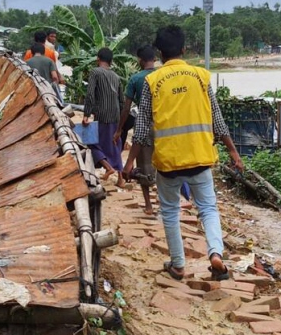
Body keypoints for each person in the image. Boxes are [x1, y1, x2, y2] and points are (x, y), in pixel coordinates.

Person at [122, 25, 245, 282]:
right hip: (200, 156)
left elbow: (142, 129)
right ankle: (215, 254)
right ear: (184, 49)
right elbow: (217, 120)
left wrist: (129, 162)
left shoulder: (152, 81)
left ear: (159, 52)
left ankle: (178, 264)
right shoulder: (201, 76)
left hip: (168, 162)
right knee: (208, 208)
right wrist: (234, 152)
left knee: (169, 211)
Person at [116, 46, 158, 213]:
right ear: (154, 59)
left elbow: (126, 108)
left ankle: (148, 205)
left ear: (140, 60)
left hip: (145, 124)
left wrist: (119, 129)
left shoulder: (136, 79)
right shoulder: (161, 76)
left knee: (144, 164)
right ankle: (167, 202)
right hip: (165, 124)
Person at [84, 47, 125, 186]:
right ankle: (121, 179)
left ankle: (108, 167)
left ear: (98, 59)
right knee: (115, 144)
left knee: (92, 142)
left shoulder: (95, 72)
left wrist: (86, 114)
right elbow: (121, 100)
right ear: (111, 61)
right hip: (116, 115)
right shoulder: (116, 76)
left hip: (101, 114)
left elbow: (90, 94)